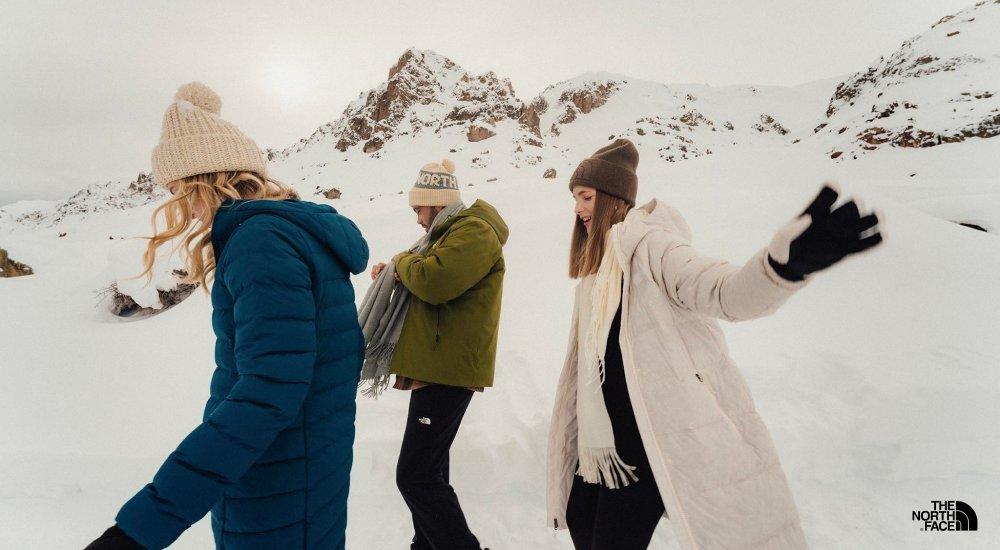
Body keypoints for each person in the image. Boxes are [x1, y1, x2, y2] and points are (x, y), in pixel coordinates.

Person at [546, 138, 884, 550]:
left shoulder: (653, 248)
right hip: (600, 451)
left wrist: (780, 269)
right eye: (575, 199)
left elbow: (723, 291)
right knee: (580, 520)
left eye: (586, 197)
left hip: (645, 448)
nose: (578, 208)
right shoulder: (595, 275)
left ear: (613, 198)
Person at [85, 82, 369, 550]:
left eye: (177, 190)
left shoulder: (261, 242)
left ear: (200, 180)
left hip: (274, 484)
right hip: (302, 471)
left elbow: (267, 392)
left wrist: (139, 529)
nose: (183, 207)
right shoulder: (294, 232)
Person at [358, 159, 508, 550]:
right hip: (437, 366)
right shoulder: (449, 234)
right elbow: (427, 274)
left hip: (449, 369)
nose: (418, 219)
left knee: (415, 476)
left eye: (418, 209)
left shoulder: (474, 231)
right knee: (430, 471)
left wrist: (402, 264)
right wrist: (396, 271)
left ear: (436, 203)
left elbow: (435, 281)